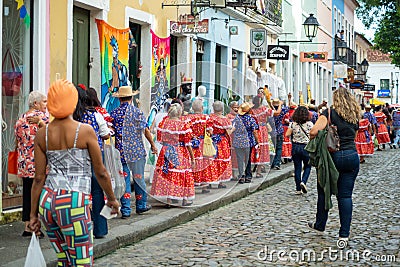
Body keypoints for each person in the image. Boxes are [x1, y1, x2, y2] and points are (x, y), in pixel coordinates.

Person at [29, 79, 120, 266]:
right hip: (74, 201)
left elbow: (38, 178)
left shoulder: (42, 134)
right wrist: (111, 198)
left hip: (47, 201)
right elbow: (100, 171)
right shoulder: (84, 131)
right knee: (81, 259)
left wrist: (32, 215)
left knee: (63, 259)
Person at [308, 87, 360, 243]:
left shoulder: (329, 113)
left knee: (324, 190)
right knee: (345, 196)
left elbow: (314, 131)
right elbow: (354, 137)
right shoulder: (354, 116)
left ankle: (320, 224)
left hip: (333, 157)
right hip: (351, 155)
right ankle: (344, 234)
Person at [110, 86, 157, 218]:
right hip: (136, 152)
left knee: (124, 180)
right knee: (139, 178)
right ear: (131, 98)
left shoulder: (114, 114)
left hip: (122, 152)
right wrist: (153, 145)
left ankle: (125, 209)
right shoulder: (137, 112)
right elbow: (145, 130)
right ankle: (141, 205)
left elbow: (110, 132)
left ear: (120, 99)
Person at [73, 85, 111, 239]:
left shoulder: (71, 117)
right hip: (94, 156)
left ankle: (78, 228)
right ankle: (100, 229)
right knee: (97, 192)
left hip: (75, 157)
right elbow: (106, 134)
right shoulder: (95, 115)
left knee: (78, 193)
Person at [15, 91, 48, 237]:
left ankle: (27, 226)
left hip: (24, 162)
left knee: (27, 194)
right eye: (44, 102)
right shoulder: (41, 118)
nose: (46, 105)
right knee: (38, 194)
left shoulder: (21, 119)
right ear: (36, 103)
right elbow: (50, 136)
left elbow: (17, 142)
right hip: (38, 163)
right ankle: (36, 226)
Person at [151, 103, 195, 207]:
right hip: (180, 151)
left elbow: (160, 139)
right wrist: (192, 158)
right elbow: (187, 144)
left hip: (166, 151)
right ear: (179, 112)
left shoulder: (164, 124)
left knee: (168, 174)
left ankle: (169, 199)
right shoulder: (183, 125)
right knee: (182, 174)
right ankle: (184, 199)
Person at [285, 106, 313, 195]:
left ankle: (298, 188)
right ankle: (303, 181)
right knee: (308, 166)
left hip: (296, 146)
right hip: (306, 147)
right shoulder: (310, 124)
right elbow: (313, 134)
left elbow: (287, 134)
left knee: (297, 167)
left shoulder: (293, 124)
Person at [186, 99, 211, 192]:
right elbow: (210, 131)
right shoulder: (206, 118)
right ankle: (204, 185)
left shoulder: (189, 118)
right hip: (202, 143)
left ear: (192, 108)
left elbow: (187, 131)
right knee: (204, 163)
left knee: (192, 162)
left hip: (192, 143)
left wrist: (193, 136)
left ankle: (192, 184)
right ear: (202, 108)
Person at [207, 101, 233, 187]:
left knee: (211, 160)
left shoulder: (210, 117)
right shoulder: (225, 120)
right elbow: (228, 133)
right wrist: (233, 129)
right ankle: (220, 181)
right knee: (221, 160)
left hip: (211, 140)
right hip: (222, 141)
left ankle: (210, 180)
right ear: (222, 109)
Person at [232, 102, 259, 183]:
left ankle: (241, 176)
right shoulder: (250, 119)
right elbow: (254, 131)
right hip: (248, 141)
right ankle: (248, 176)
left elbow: (232, 128)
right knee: (247, 159)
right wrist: (257, 141)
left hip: (238, 141)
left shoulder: (236, 119)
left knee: (240, 159)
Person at [250, 95, 272, 177]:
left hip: (253, 129)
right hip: (262, 130)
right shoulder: (264, 109)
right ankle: (258, 171)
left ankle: (251, 169)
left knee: (253, 149)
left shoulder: (251, 110)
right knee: (261, 149)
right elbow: (275, 113)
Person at [270, 98, 289, 170]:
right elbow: (287, 108)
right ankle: (277, 163)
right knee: (279, 148)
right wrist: (281, 104)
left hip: (272, 131)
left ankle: (272, 163)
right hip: (279, 131)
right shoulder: (282, 111)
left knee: (273, 148)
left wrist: (271, 104)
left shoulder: (270, 111)